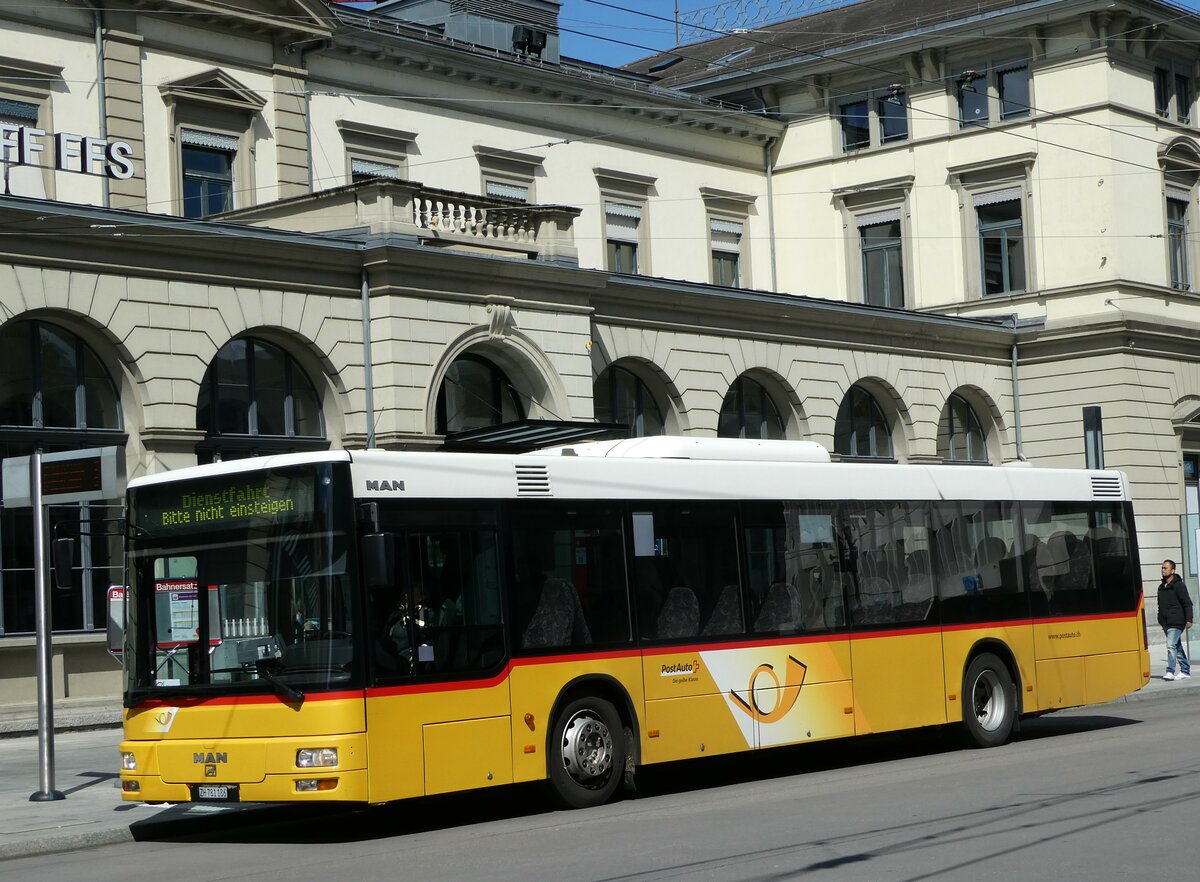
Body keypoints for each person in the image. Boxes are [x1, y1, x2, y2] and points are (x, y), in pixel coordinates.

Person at [1157, 559, 1193, 681]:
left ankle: (1170, 671)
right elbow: (1160, 605)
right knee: (1176, 646)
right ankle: (1185, 670)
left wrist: (1189, 619)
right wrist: (1160, 619)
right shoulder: (1161, 587)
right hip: (1166, 622)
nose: (1163, 570)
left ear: (1172, 570)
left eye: (1165, 568)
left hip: (1177, 621)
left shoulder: (1179, 585)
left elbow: (1187, 603)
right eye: (1162, 568)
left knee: (1170, 645)